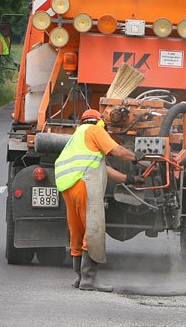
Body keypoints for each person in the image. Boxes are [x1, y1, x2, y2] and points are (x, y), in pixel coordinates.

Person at [55, 109, 143, 292]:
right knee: (94, 230)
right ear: (98, 121)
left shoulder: (77, 136)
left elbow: (104, 169)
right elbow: (118, 151)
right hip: (85, 185)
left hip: (68, 187)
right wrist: (137, 157)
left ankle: (79, 277)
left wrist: (129, 179)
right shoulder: (94, 130)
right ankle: (89, 279)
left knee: (77, 231)